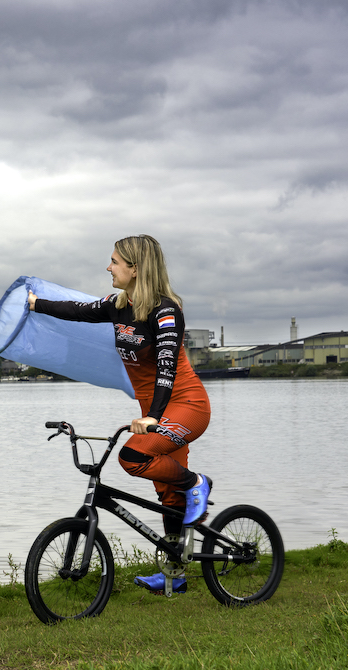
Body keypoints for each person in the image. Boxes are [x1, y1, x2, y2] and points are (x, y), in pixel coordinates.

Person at [27, 234, 211, 594]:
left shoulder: (166, 312)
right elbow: (78, 311)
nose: (108, 267)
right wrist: (36, 304)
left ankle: (196, 483)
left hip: (186, 405)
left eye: (114, 261)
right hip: (156, 411)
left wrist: (153, 415)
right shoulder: (118, 305)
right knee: (167, 494)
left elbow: (166, 367)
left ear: (136, 268)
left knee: (133, 457)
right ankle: (175, 574)